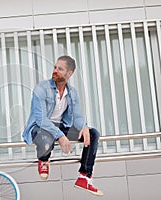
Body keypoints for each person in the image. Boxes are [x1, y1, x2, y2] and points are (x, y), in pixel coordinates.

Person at [22, 55, 103, 196]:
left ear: (69, 73)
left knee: (92, 133)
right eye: (55, 67)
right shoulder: (41, 88)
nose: (55, 71)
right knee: (46, 137)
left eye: (60, 69)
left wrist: (83, 126)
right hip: (40, 128)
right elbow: (41, 119)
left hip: (59, 127)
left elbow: (77, 117)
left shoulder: (72, 93)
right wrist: (60, 136)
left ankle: (84, 177)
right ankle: (43, 159)